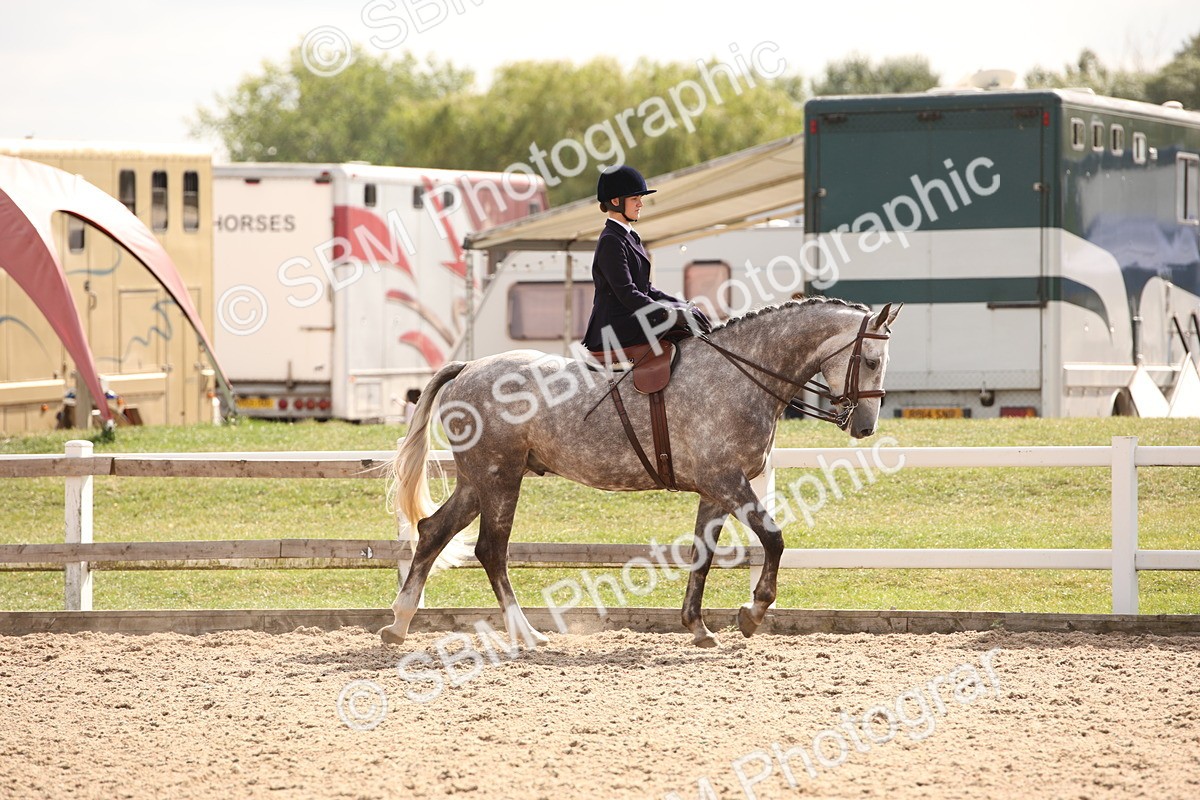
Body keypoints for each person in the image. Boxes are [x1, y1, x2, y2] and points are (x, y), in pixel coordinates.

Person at [581, 165, 710, 355]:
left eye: (640, 199)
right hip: (615, 326)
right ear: (616, 201)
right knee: (681, 328)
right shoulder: (611, 240)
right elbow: (627, 293)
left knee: (690, 320)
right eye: (635, 199)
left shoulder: (629, 236)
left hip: (631, 318)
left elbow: (646, 289)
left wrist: (682, 306)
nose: (640, 204)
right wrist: (667, 313)